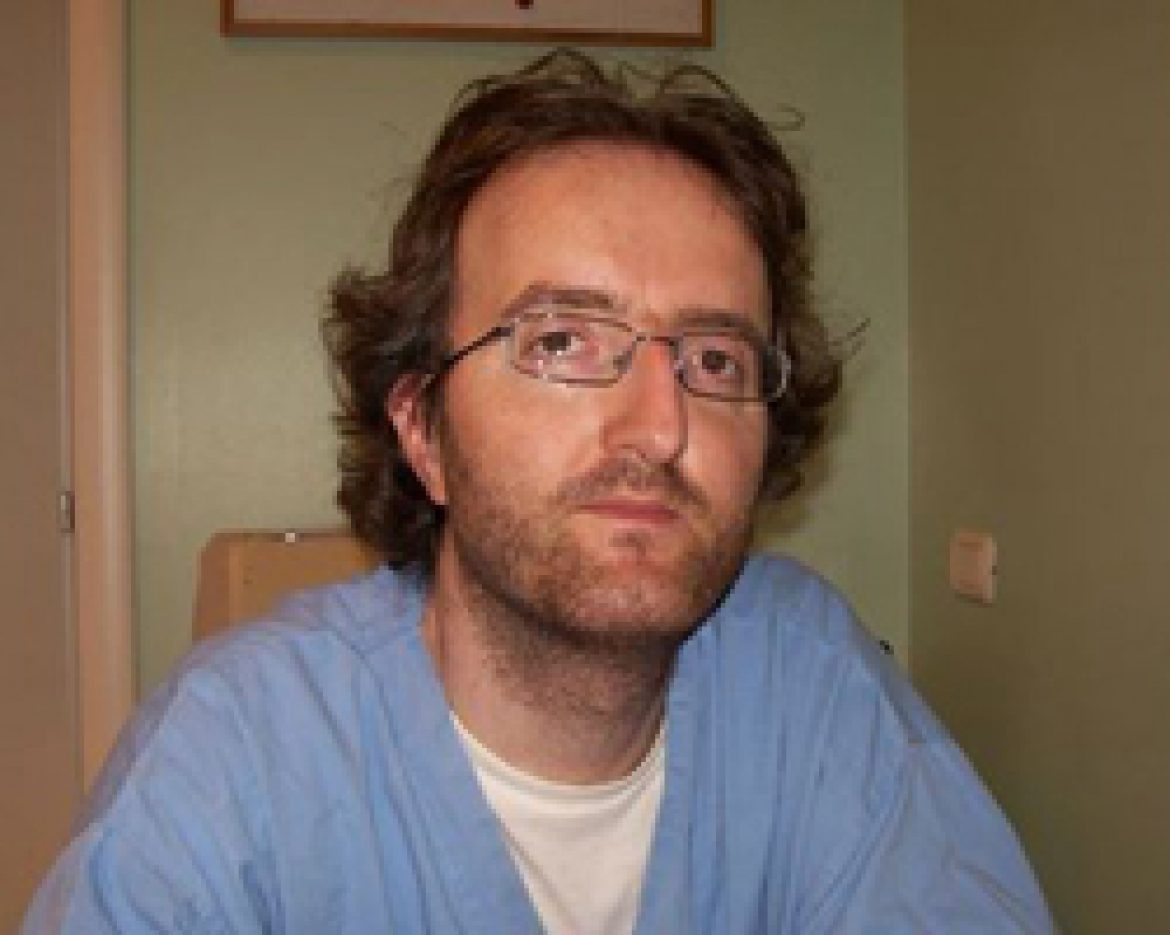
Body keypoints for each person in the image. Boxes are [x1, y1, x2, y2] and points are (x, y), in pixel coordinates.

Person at [25, 50, 1054, 933]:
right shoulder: (230, 764)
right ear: (423, 428)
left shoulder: (814, 687)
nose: (659, 426)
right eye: (561, 341)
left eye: (713, 358)